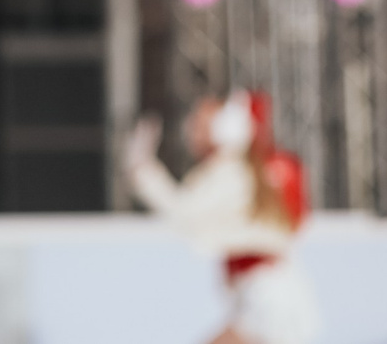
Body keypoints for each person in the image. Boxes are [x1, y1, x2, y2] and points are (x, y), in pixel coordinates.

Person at [125, 89, 318, 344]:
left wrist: (143, 170)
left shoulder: (233, 171)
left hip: (267, 297)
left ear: (227, 127)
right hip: (267, 295)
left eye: (202, 125)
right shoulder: (243, 169)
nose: (191, 132)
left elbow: (185, 213)